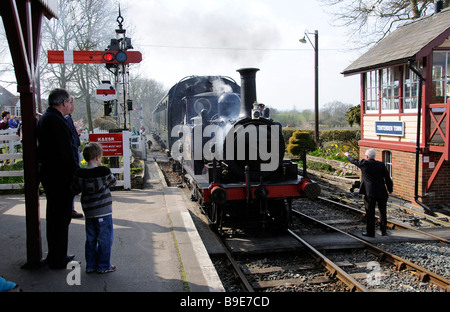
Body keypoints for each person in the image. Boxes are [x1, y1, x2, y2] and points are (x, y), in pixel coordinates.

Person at [37, 88, 80, 269]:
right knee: (60, 220)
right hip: (60, 178)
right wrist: (76, 174)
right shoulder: (55, 121)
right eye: (70, 101)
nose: (71, 104)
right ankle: (58, 258)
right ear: (63, 103)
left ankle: (56, 255)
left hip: (53, 176)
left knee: (56, 218)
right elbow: (65, 152)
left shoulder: (48, 119)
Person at [72, 142, 117, 274]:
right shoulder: (104, 171)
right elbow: (113, 182)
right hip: (104, 212)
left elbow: (74, 189)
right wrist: (102, 167)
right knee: (105, 240)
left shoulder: (80, 174)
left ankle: (90, 266)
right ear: (98, 157)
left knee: (91, 239)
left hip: (89, 212)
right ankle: (103, 266)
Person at [345, 148, 393, 237]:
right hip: (382, 191)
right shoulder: (381, 165)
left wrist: (348, 155)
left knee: (370, 213)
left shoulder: (364, 164)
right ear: (374, 156)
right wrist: (390, 189)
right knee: (383, 212)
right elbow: (387, 178)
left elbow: (354, 161)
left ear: (367, 156)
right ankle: (383, 231)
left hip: (369, 193)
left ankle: (370, 232)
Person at [65, 109, 83, 219]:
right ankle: (69, 209)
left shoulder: (67, 119)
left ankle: (69, 208)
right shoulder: (66, 119)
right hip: (71, 156)